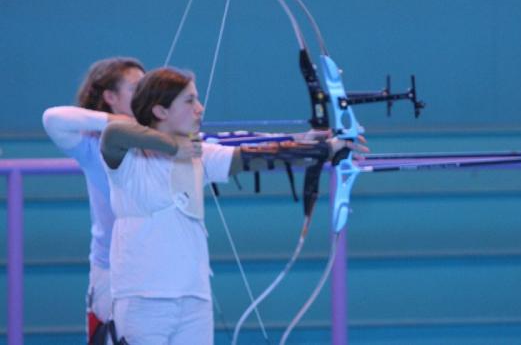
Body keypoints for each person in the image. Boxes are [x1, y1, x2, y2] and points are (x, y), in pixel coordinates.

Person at [100, 67, 365, 344]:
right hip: (142, 298)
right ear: (160, 111)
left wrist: (323, 148)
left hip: (194, 297)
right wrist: (173, 146)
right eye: (189, 101)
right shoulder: (130, 159)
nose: (200, 108)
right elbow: (113, 133)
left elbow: (255, 157)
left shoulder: (199, 154)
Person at [41, 57, 145, 342]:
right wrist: (116, 122)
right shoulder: (91, 145)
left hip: (154, 266)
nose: (143, 94)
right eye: (135, 88)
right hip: (112, 270)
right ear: (111, 97)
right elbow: (53, 118)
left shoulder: (158, 140)